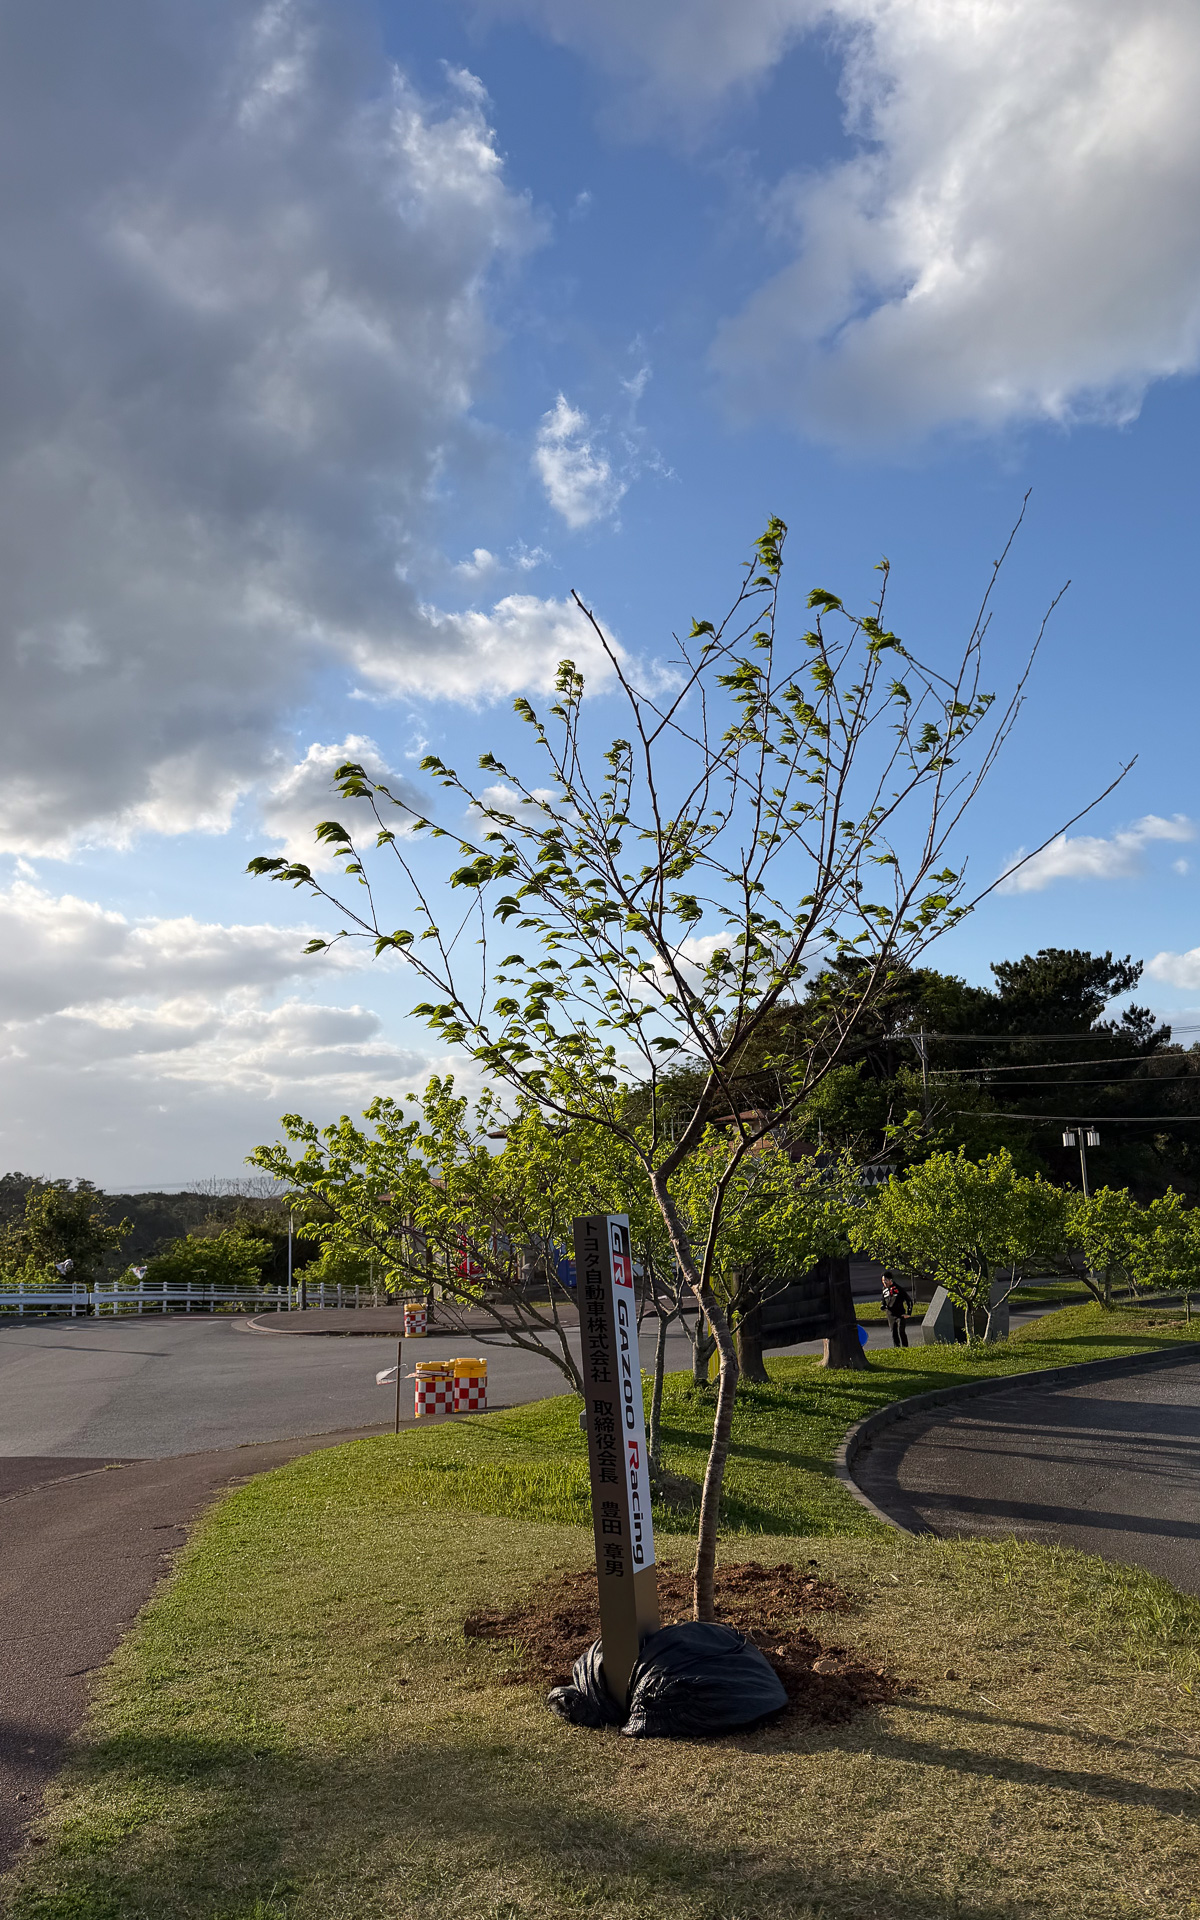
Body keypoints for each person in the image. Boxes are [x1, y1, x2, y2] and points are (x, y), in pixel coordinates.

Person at [881, 1270, 914, 1347]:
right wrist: (883, 1306)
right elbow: (883, 1300)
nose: (884, 1283)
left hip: (900, 1314)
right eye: (883, 1281)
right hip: (890, 1314)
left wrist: (909, 1313)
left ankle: (905, 1347)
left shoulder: (899, 1289)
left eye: (885, 1281)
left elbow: (909, 1300)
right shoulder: (884, 1290)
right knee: (894, 1332)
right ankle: (897, 1348)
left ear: (890, 1280)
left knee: (901, 1331)